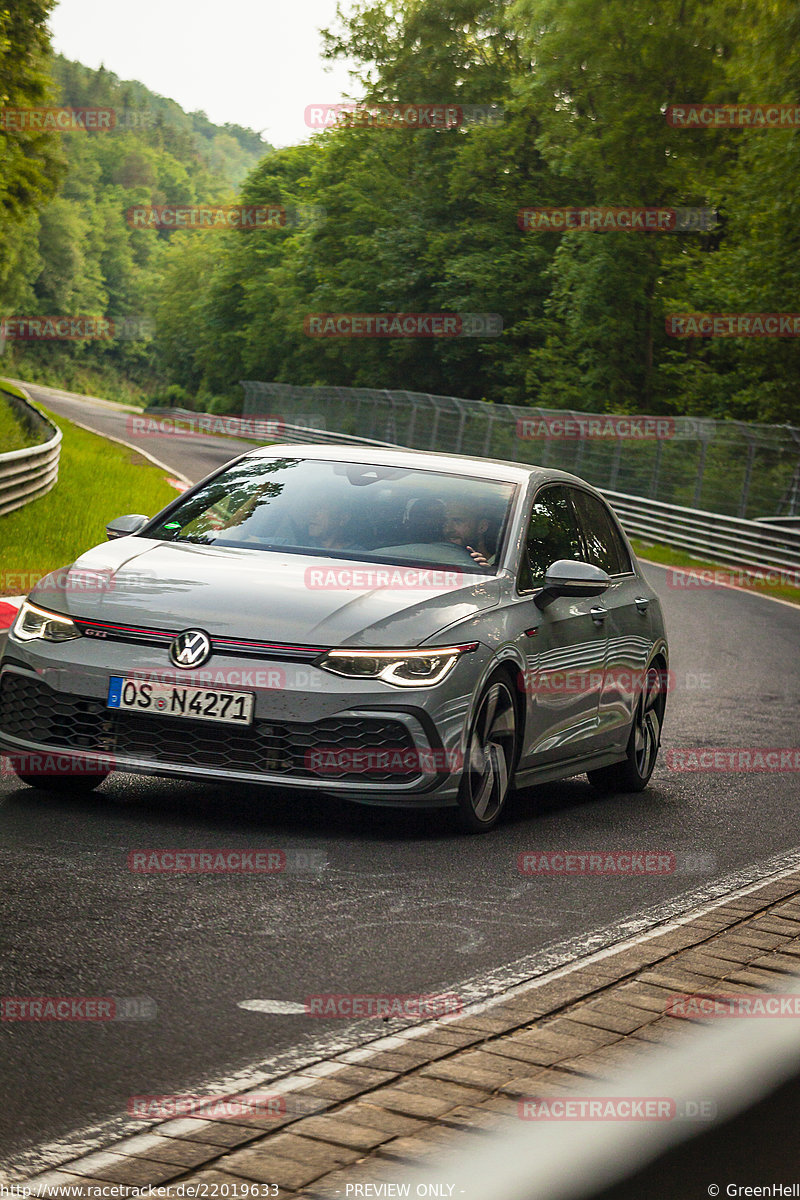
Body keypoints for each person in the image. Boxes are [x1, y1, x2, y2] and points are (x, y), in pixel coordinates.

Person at [443, 501, 497, 567]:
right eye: (446, 521)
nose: (448, 529)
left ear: (482, 527)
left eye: (458, 521)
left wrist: (486, 571)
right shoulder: (435, 559)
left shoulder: (502, 567)